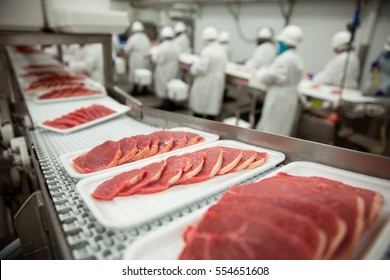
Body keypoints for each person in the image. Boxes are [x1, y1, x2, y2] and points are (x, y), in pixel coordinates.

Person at [253, 25, 305, 136]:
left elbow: (271, 77)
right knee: (283, 128)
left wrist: (261, 73)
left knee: (271, 127)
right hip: (291, 96)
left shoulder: (284, 58)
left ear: (284, 42)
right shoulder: (297, 58)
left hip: (279, 97)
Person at [189, 27, 228, 120]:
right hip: (217, 83)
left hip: (205, 83)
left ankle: (197, 127)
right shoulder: (222, 50)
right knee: (212, 106)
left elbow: (201, 69)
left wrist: (192, 68)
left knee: (200, 106)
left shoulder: (207, 51)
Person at [150, 26, 180, 109]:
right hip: (173, 70)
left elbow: (156, 59)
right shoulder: (176, 46)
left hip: (162, 71)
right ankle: (171, 104)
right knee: (171, 87)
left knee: (163, 88)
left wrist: (152, 56)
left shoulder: (161, 47)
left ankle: (165, 106)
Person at [124, 21, 151, 90]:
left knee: (134, 73)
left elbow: (127, 49)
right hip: (145, 58)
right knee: (144, 73)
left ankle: (135, 89)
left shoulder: (132, 38)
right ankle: (144, 88)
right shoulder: (146, 37)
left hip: (135, 58)